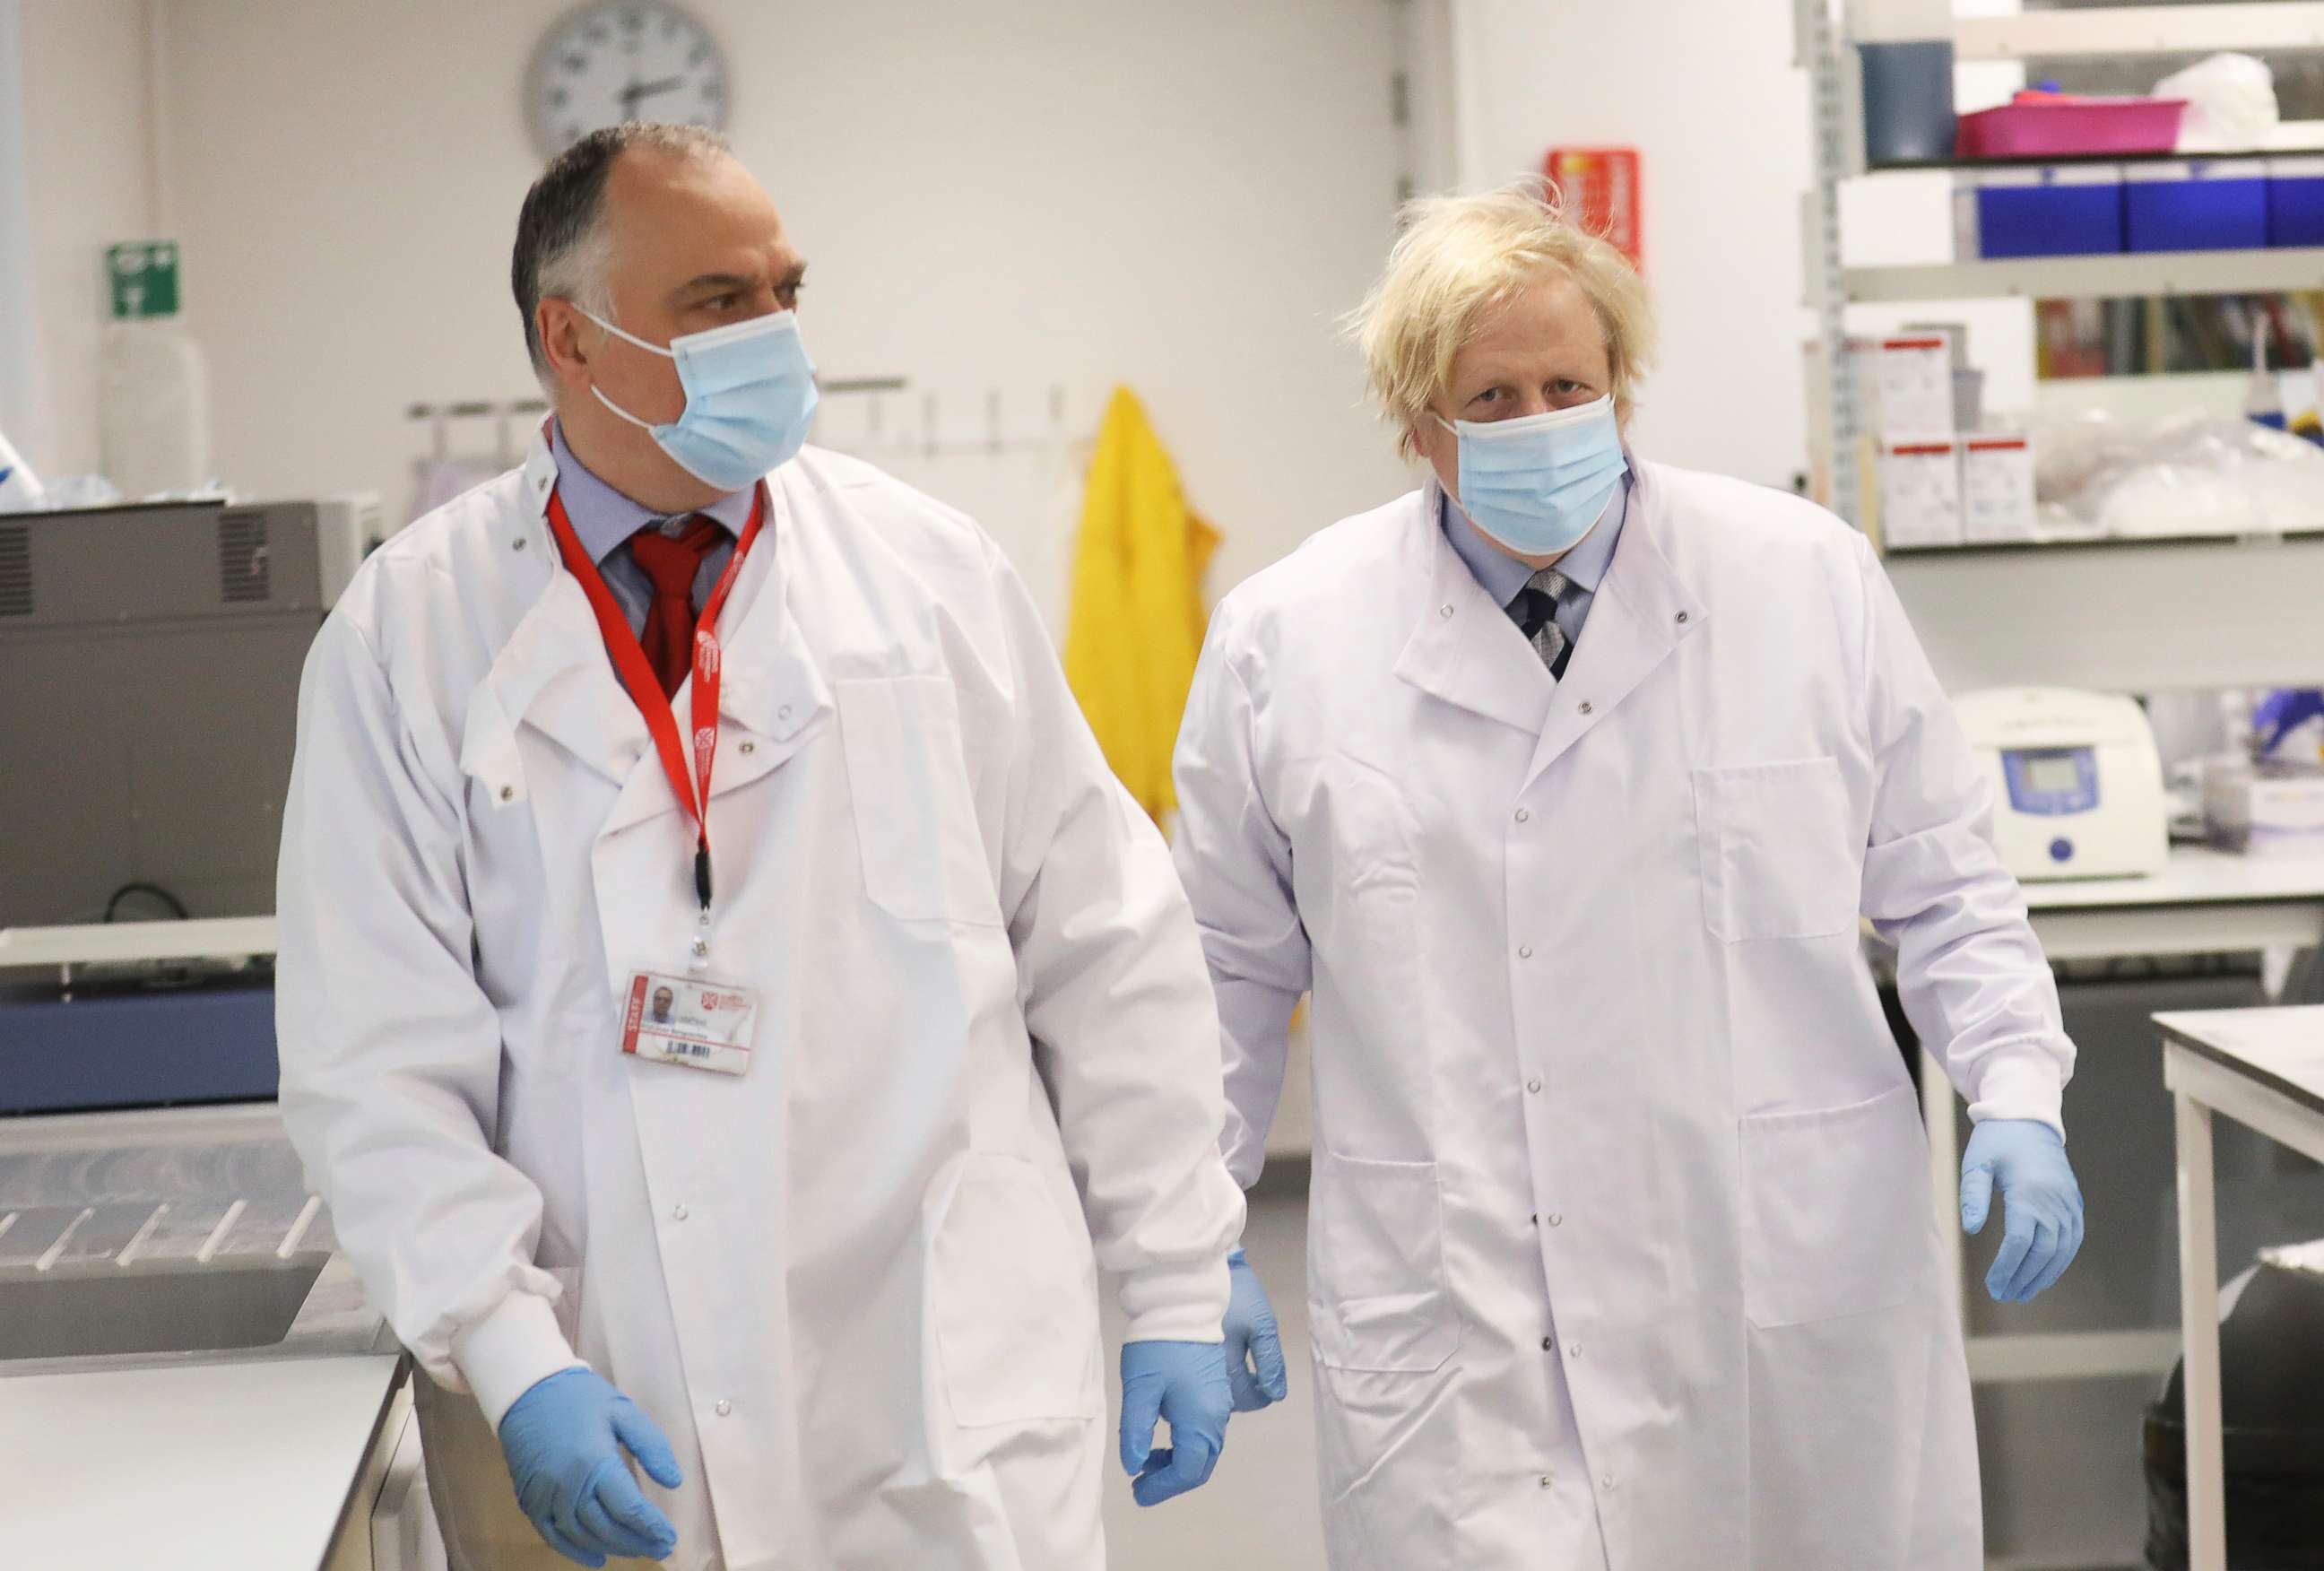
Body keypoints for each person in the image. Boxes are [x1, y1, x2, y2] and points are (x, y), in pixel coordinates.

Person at [276, 124, 1243, 1571]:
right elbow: (374, 1057)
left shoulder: (927, 574)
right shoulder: (410, 633)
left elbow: (1106, 938)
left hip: (939, 1378)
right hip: (620, 1385)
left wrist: (1175, 1268)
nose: (775, 336)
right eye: (718, 303)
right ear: (573, 340)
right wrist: (514, 1356)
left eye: (786, 291)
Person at [1172, 183, 2086, 1570]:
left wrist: (2018, 1090)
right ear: (1413, 423)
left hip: (1771, 1275)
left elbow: (1946, 885)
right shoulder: (1285, 641)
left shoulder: (1803, 580)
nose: (1541, 422)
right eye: (1490, 398)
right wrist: (1194, 1229)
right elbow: (1223, 971)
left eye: (1569, 383)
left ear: (1623, 387)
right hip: (1465, 1315)